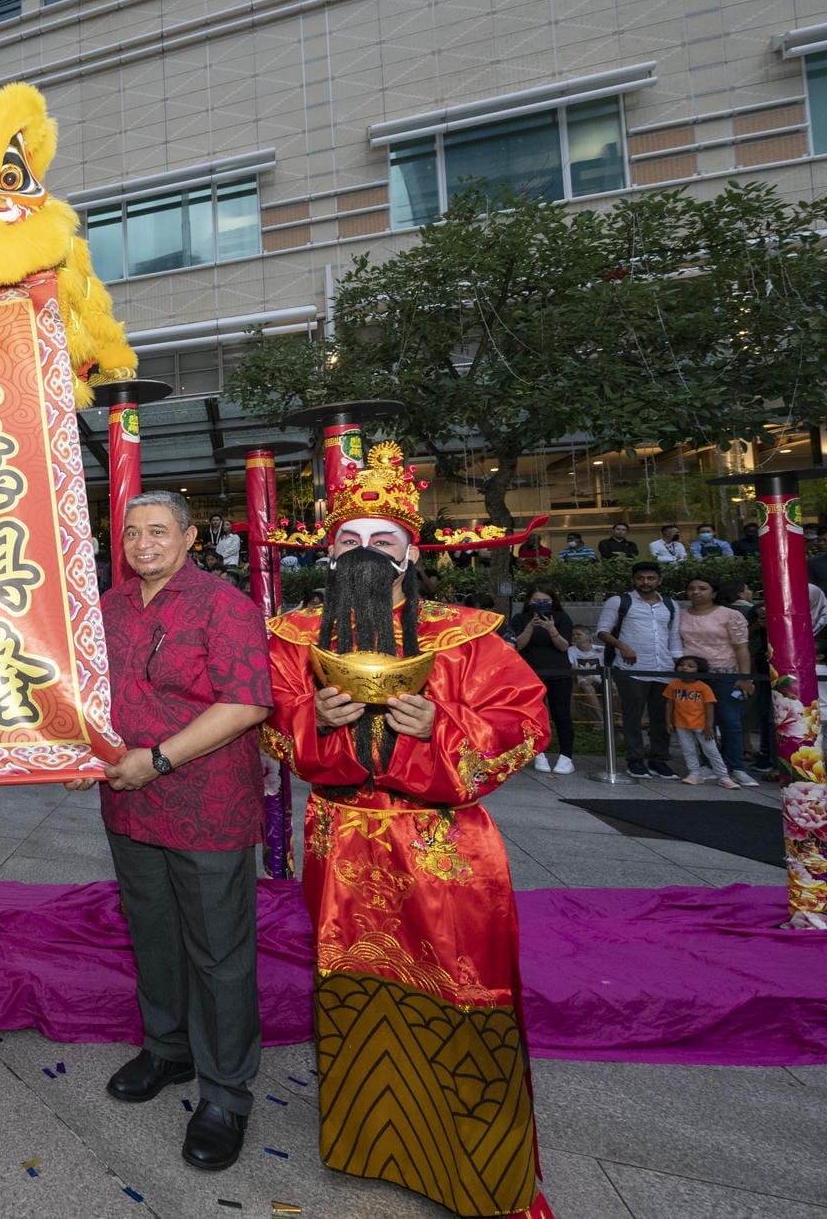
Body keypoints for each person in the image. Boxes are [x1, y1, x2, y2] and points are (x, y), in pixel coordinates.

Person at [260, 442, 551, 1219]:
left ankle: (478, 1170)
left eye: (382, 539)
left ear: (411, 553)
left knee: (461, 990)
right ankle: (373, 1141)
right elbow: (275, 731)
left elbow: (525, 721)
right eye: (350, 540)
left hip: (443, 846)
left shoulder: (463, 635)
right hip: (342, 838)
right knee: (351, 983)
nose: (366, 552)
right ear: (330, 553)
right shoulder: (296, 636)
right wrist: (314, 719)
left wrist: (440, 726)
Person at [73, 491, 271, 1172]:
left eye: (158, 531)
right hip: (129, 802)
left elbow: (246, 703)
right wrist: (79, 756)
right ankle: (168, 1048)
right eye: (132, 533)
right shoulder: (107, 607)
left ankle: (225, 1093)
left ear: (189, 538)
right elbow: (85, 697)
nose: (143, 544)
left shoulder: (225, 605)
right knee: (152, 932)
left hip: (206, 803)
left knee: (218, 950)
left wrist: (157, 759)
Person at [595, 562, 683, 779]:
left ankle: (659, 760)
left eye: (650, 578)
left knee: (661, 717)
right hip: (630, 668)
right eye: (641, 578)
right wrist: (623, 647)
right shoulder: (619, 601)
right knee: (633, 716)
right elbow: (602, 631)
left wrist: (678, 664)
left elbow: (674, 637)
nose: (645, 582)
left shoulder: (670, 605)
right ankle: (635, 760)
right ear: (633, 580)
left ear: (659, 580)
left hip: (664, 667)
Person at [678, 575, 756, 786]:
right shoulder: (681, 614)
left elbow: (741, 648)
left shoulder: (730, 615)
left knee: (730, 720)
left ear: (713, 592)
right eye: (692, 588)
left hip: (725, 672)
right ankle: (708, 765)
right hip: (693, 675)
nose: (696, 592)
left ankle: (736, 767)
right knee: (700, 721)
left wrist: (745, 677)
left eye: (702, 588)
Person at [509, 586, 576, 774]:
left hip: (559, 673)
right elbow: (518, 645)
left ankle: (566, 756)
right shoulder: (520, 619)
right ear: (529, 601)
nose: (541, 604)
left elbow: (564, 646)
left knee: (562, 715)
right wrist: (530, 627)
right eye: (536, 601)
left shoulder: (561, 618)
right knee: (534, 715)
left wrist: (552, 629)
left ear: (553, 601)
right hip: (530, 674)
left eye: (545, 601)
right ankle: (538, 753)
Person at [662, 655, 730, 786]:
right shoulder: (673, 685)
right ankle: (694, 773)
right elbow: (669, 704)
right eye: (682, 665)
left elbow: (709, 707)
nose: (684, 668)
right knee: (688, 749)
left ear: (699, 670)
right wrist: (668, 721)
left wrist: (709, 726)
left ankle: (723, 775)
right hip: (681, 724)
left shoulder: (704, 687)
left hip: (701, 725)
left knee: (711, 749)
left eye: (690, 666)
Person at [568, 625, 606, 725]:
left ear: (588, 636)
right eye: (573, 635)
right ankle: (600, 720)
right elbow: (572, 667)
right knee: (587, 687)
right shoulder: (571, 650)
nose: (575, 636)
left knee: (613, 686)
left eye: (578, 634)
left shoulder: (601, 649)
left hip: (601, 679)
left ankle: (618, 718)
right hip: (583, 680)